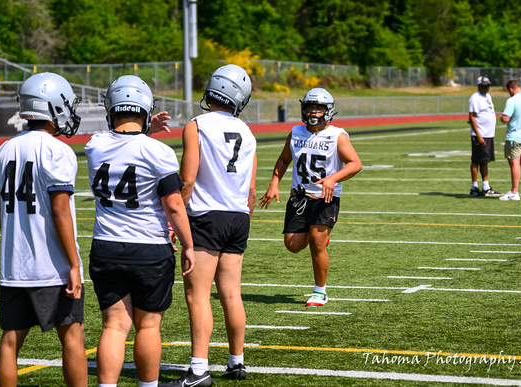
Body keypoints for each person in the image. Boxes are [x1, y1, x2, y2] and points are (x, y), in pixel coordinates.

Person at [85, 75, 195, 387]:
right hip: (148, 248)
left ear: (111, 109)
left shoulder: (95, 146)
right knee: (147, 326)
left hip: (106, 245)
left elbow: (118, 141)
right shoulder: (158, 152)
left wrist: (144, 129)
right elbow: (173, 205)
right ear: (147, 111)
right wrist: (188, 245)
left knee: (114, 326)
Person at [161, 64, 257, 387]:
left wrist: (176, 220)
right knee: (231, 293)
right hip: (237, 217)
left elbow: (187, 180)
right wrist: (242, 223)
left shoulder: (196, 125)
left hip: (206, 215)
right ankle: (236, 362)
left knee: (198, 295)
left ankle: (199, 370)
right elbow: (252, 192)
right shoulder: (249, 134)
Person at [0, 72, 87, 386]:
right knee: (72, 336)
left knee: (10, 340)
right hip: (51, 266)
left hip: (14, 265)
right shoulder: (57, 151)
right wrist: (73, 264)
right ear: (54, 106)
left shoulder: (2, 151)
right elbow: (60, 210)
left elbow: (1, 214)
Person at [258, 88, 362, 307]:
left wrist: (333, 179)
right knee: (293, 245)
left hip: (325, 197)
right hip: (299, 197)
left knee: (316, 243)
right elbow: (283, 160)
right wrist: (273, 184)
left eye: (319, 108)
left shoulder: (337, 135)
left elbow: (355, 164)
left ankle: (320, 291)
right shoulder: (295, 132)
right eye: (310, 107)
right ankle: (320, 238)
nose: (314, 112)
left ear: (328, 111)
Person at [468, 76, 500, 197]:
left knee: (485, 160)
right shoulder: (475, 98)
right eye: (485, 85)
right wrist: (479, 136)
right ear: (479, 86)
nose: (487, 87)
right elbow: (472, 117)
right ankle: (474, 187)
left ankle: (486, 186)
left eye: (488, 85)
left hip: (489, 133)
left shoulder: (487, 96)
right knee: (476, 160)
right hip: (480, 134)